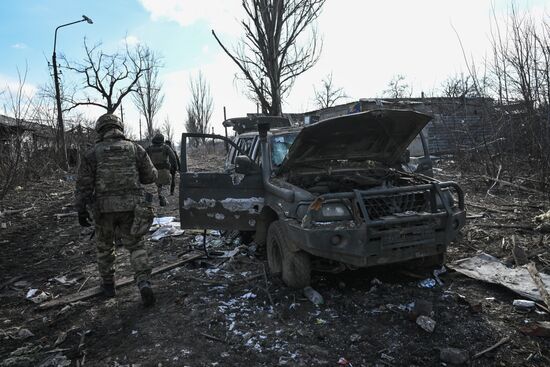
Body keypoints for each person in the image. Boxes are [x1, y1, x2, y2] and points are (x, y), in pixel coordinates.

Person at [75, 113, 158, 307]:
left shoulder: (92, 153)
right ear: (119, 128)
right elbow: (150, 177)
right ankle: (144, 282)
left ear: (100, 130)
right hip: (132, 208)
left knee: (105, 247)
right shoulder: (135, 149)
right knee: (136, 245)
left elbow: (83, 185)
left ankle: (108, 286)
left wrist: (81, 209)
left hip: (104, 210)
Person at [145, 133, 177, 206]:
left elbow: (144, 156)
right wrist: (175, 166)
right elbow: (173, 157)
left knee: (159, 185)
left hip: (154, 170)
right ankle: (162, 198)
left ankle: (161, 196)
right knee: (165, 185)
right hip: (164, 169)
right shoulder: (165, 147)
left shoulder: (149, 148)